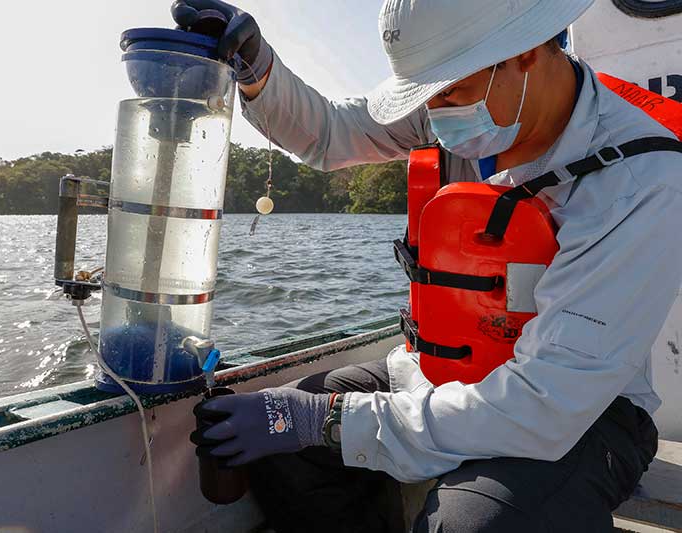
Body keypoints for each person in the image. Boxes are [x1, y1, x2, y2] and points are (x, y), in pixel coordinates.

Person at [176, 0, 682, 531]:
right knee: (281, 435)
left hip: (587, 414)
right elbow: (330, 133)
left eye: (448, 90)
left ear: (528, 51)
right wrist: (257, 69)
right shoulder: (465, 106)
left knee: (471, 525)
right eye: (426, 94)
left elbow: (545, 405)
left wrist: (323, 422)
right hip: (439, 370)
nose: (436, 115)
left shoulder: (642, 179)